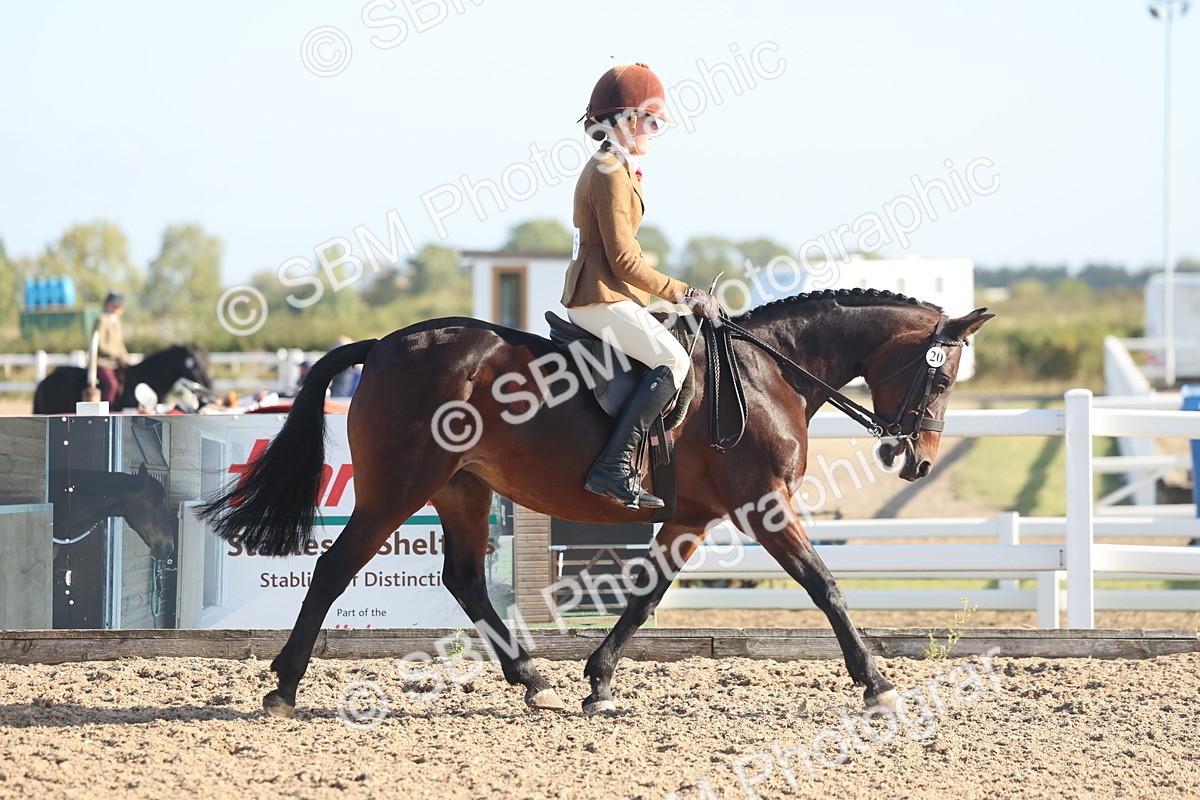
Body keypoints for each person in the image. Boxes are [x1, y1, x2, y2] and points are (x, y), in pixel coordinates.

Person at [562, 62, 720, 510]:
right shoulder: (610, 171)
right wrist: (685, 293)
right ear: (626, 120)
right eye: (650, 122)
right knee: (673, 361)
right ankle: (613, 466)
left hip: (611, 294)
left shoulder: (618, 167)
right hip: (599, 296)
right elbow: (625, 260)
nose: (654, 131)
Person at [91, 291, 130, 405]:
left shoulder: (117, 322)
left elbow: (120, 344)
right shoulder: (102, 320)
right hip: (103, 362)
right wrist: (116, 354)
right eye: (116, 305)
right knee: (112, 385)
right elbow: (100, 344)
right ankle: (107, 408)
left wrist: (126, 357)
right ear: (109, 305)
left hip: (116, 362)